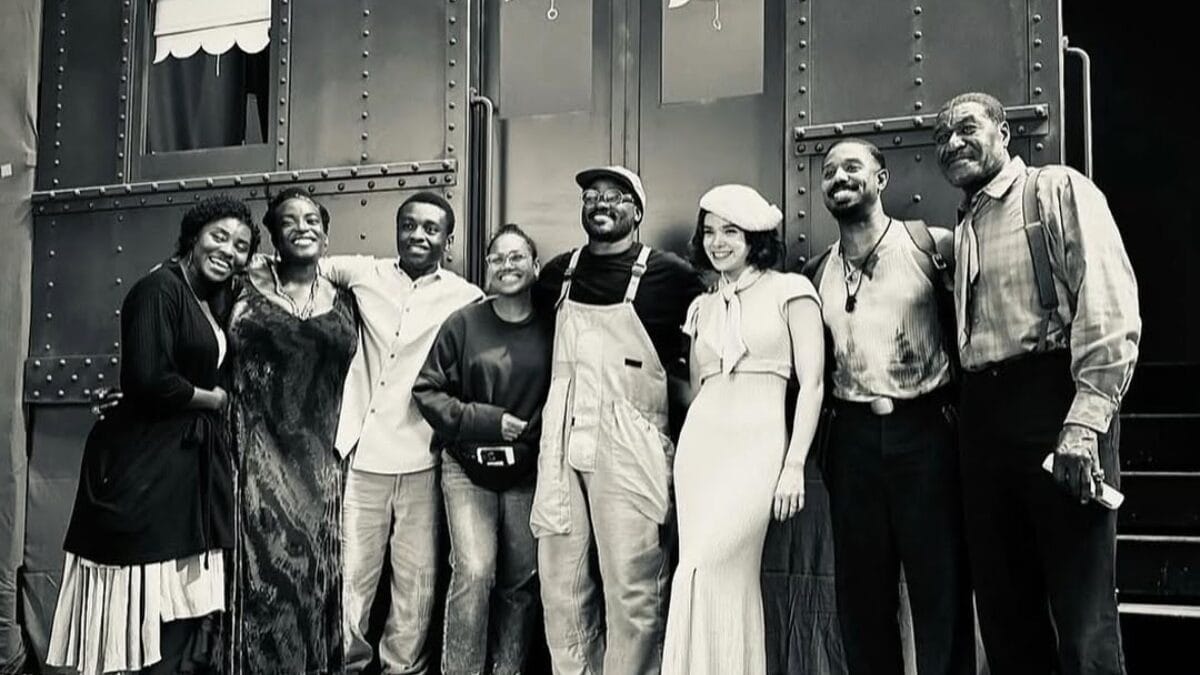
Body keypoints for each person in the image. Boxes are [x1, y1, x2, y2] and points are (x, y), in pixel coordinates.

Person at [934, 92, 1140, 675]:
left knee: (1082, 617)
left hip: (1053, 404)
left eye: (967, 128)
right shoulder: (965, 224)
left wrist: (1085, 423)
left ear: (1004, 132)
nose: (953, 143)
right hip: (984, 417)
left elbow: (1108, 305)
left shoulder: (1055, 189)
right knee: (1006, 614)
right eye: (942, 137)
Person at [47, 196, 259, 675]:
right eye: (219, 236)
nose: (228, 250)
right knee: (148, 606)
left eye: (241, 245)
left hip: (183, 467)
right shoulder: (158, 289)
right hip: (146, 468)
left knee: (178, 606)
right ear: (193, 236)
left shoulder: (210, 296)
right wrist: (214, 400)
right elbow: (149, 380)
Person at [530, 166, 705, 674]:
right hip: (562, 442)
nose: (601, 203)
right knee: (560, 587)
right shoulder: (557, 275)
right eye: (591, 195)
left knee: (634, 588)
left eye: (616, 196)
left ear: (638, 212)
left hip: (631, 445)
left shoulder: (671, 277)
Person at [808, 139, 973, 675]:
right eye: (829, 171)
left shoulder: (930, 245)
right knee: (861, 596)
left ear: (880, 179)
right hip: (852, 440)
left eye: (852, 167)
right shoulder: (817, 271)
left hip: (926, 431)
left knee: (939, 586)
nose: (839, 177)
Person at [661, 184, 824, 675]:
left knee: (720, 566)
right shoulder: (702, 307)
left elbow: (813, 385)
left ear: (755, 236)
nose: (717, 242)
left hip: (758, 449)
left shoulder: (791, 291)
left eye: (730, 231)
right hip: (701, 450)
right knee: (693, 568)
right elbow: (698, 390)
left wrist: (793, 464)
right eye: (709, 231)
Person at [322, 192, 484, 674]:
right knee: (352, 578)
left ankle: (403, 669)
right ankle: (348, 666)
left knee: (416, 585)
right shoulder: (363, 273)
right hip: (363, 456)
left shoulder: (466, 297)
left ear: (447, 241)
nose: (418, 235)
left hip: (422, 460)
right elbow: (298, 262)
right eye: (409, 225)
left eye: (431, 229)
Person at [226, 188, 358, 674]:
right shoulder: (240, 288)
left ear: (326, 235)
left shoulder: (348, 297)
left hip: (323, 462)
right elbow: (189, 327)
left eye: (311, 220)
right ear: (274, 238)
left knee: (317, 575)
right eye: (288, 221)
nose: (302, 227)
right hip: (256, 452)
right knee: (263, 575)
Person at [413, 224, 551, 675]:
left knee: (521, 581)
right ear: (487, 267)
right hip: (466, 468)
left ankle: (507, 669)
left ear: (535, 266)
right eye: (497, 258)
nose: (507, 266)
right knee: (474, 571)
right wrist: (488, 421)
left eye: (517, 257)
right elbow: (427, 391)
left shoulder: (553, 326)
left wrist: (532, 439)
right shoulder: (464, 323)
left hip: (527, 473)